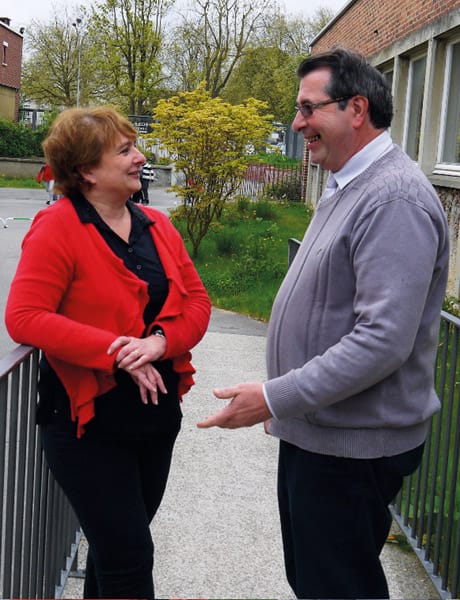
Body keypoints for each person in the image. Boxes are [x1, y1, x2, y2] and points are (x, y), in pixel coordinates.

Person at [197, 47, 450, 599]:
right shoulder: (347, 184)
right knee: (318, 578)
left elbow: (382, 340)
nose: (297, 123)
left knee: (335, 586)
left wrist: (276, 395)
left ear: (356, 109)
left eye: (309, 108)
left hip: (352, 446)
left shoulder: (394, 199)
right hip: (325, 434)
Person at [6, 106, 211, 599]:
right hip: (85, 425)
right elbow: (24, 316)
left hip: (155, 419)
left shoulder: (158, 226)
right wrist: (118, 352)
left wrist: (158, 342)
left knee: (114, 553)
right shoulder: (57, 226)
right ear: (86, 171)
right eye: (125, 150)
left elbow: (198, 302)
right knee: (130, 560)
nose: (141, 157)